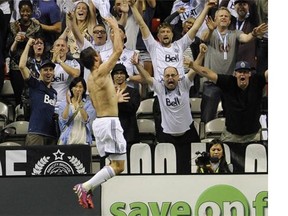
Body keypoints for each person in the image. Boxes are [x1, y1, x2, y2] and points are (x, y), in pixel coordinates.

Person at [72, 16, 125, 209]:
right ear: (95, 58)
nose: (101, 55)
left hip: (101, 122)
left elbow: (96, 103)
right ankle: (85, 186)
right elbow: (119, 50)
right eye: (97, 53)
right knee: (119, 166)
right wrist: (114, 27)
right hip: (110, 123)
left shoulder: (91, 80)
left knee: (113, 164)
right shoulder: (101, 71)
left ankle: (89, 187)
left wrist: (113, 101)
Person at [131, 45, 203, 174]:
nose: (170, 78)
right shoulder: (159, 88)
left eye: (173, 75)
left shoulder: (184, 84)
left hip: (187, 134)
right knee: (168, 169)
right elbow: (147, 77)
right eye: (167, 75)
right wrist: (137, 65)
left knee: (192, 168)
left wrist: (201, 54)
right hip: (167, 135)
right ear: (163, 78)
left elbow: (194, 70)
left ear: (178, 77)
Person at [200, 6, 268, 124]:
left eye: (226, 16)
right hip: (211, 82)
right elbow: (204, 38)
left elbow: (246, 38)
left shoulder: (235, 33)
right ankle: (205, 140)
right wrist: (211, 29)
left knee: (232, 116)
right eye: (221, 16)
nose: (224, 18)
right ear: (215, 19)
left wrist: (254, 33)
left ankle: (231, 139)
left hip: (229, 82)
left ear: (230, 20)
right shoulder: (209, 32)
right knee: (207, 117)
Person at [192, 45, 268, 143]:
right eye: (240, 72)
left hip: (253, 136)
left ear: (250, 74)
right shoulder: (228, 82)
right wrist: (192, 65)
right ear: (235, 74)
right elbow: (207, 73)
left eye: (245, 72)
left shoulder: (257, 81)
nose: (242, 74)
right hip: (231, 136)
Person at [19, 37, 58, 146]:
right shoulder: (35, 84)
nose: (48, 73)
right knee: (33, 162)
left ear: (54, 73)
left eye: (51, 70)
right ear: (40, 72)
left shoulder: (54, 93)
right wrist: (28, 45)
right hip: (36, 133)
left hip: (51, 135)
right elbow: (22, 66)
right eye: (45, 70)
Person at [6, 0, 42, 105]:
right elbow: (9, 50)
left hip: (32, 65)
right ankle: (19, 117)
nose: (25, 13)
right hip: (16, 66)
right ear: (19, 11)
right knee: (18, 96)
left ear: (32, 11)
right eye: (23, 11)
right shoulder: (13, 26)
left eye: (28, 11)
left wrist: (26, 39)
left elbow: (40, 44)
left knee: (33, 95)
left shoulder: (36, 26)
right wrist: (16, 40)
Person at [57, 77, 96, 145]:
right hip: (67, 140)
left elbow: (86, 120)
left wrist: (80, 104)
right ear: (71, 88)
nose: (78, 89)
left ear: (84, 89)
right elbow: (63, 121)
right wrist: (68, 104)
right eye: (75, 86)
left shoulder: (88, 104)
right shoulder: (63, 104)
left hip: (83, 140)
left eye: (80, 87)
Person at [112, 63, 140, 146]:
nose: (119, 76)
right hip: (114, 132)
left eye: (121, 73)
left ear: (126, 75)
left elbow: (133, 108)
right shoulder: (108, 93)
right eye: (116, 73)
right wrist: (115, 100)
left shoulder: (133, 92)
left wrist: (119, 103)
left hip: (130, 134)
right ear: (112, 76)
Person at [50, 38, 81, 110]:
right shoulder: (46, 64)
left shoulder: (73, 62)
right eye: (58, 45)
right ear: (53, 49)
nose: (60, 48)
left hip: (65, 104)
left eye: (63, 46)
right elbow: (42, 80)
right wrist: (53, 61)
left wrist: (60, 61)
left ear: (67, 49)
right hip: (49, 104)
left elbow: (76, 74)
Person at [229, 0, 259, 69]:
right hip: (231, 64)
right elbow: (222, 8)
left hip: (248, 63)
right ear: (234, 6)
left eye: (244, 4)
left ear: (248, 7)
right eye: (239, 4)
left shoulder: (252, 21)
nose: (241, 7)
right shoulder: (230, 21)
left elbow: (253, 6)